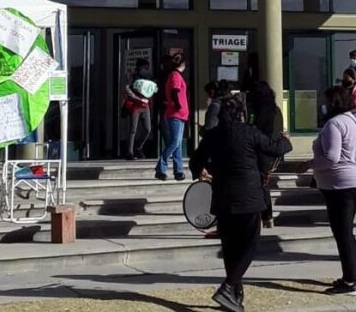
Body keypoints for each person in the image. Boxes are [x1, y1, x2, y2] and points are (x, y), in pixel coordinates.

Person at [191, 95, 292, 312]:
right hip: (248, 196)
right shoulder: (249, 132)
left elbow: (195, 160)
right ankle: (229, 287)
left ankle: (235, 295)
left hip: (223, 196)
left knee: (230, 247)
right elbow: (274, 148)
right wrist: (286, 139)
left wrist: (200, 171)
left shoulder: (213, 135)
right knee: (249, 243)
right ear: (240, 113)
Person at [297, 85, 356, 295]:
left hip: (341, 183)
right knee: (346, 232)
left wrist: (308, 164)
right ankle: (354, 274)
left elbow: (331, 157)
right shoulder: (354, 121)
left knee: (342, 232)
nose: (324, 104)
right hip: (354, 180)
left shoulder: (334, 124)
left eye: (326, 100)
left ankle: (350, 281)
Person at [248, 81, 285, 229]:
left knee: (262, 185)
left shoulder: (262, 110)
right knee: (263, 184)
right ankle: (266, 217)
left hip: (262, 153)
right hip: (270, 153)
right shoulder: (275, 109)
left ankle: (266, 216)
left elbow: (256, 130)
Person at [156, 52, 189, 181]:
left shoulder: (175, 75)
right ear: (182, 63)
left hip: (180, 114)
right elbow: (175, 91)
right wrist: (178, 105)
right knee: (174, 142)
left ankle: (178, 170)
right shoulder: (175, 75)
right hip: (175, 113)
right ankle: (161, 167)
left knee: (178, 144)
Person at [123, 59, 157, 160]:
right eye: (144, 67)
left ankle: (139, 147)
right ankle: (130, 152)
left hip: (145, 105)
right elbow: (127, 88)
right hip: (136, 105)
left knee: (148, 128)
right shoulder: (133, 76)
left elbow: (153, 88)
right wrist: (135, 98)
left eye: (147, 68)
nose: (146, 70)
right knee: (133, 129)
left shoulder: (149, 77)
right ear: (139, 67)